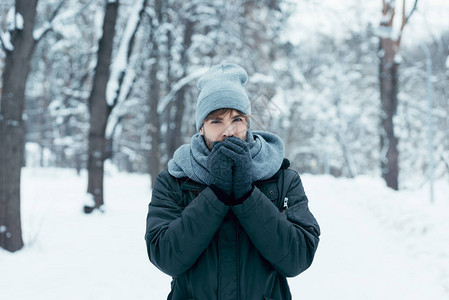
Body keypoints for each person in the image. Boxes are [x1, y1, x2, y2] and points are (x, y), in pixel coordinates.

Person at [145, 63, 320, 299]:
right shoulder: (174, 180)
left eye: (237, 119)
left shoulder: (282, 178)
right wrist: (216, 194)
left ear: (248, 123)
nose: (228, 131)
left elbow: (297, 258)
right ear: (201, 128)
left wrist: (247, 195)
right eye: (216, 121)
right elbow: (166, 257)